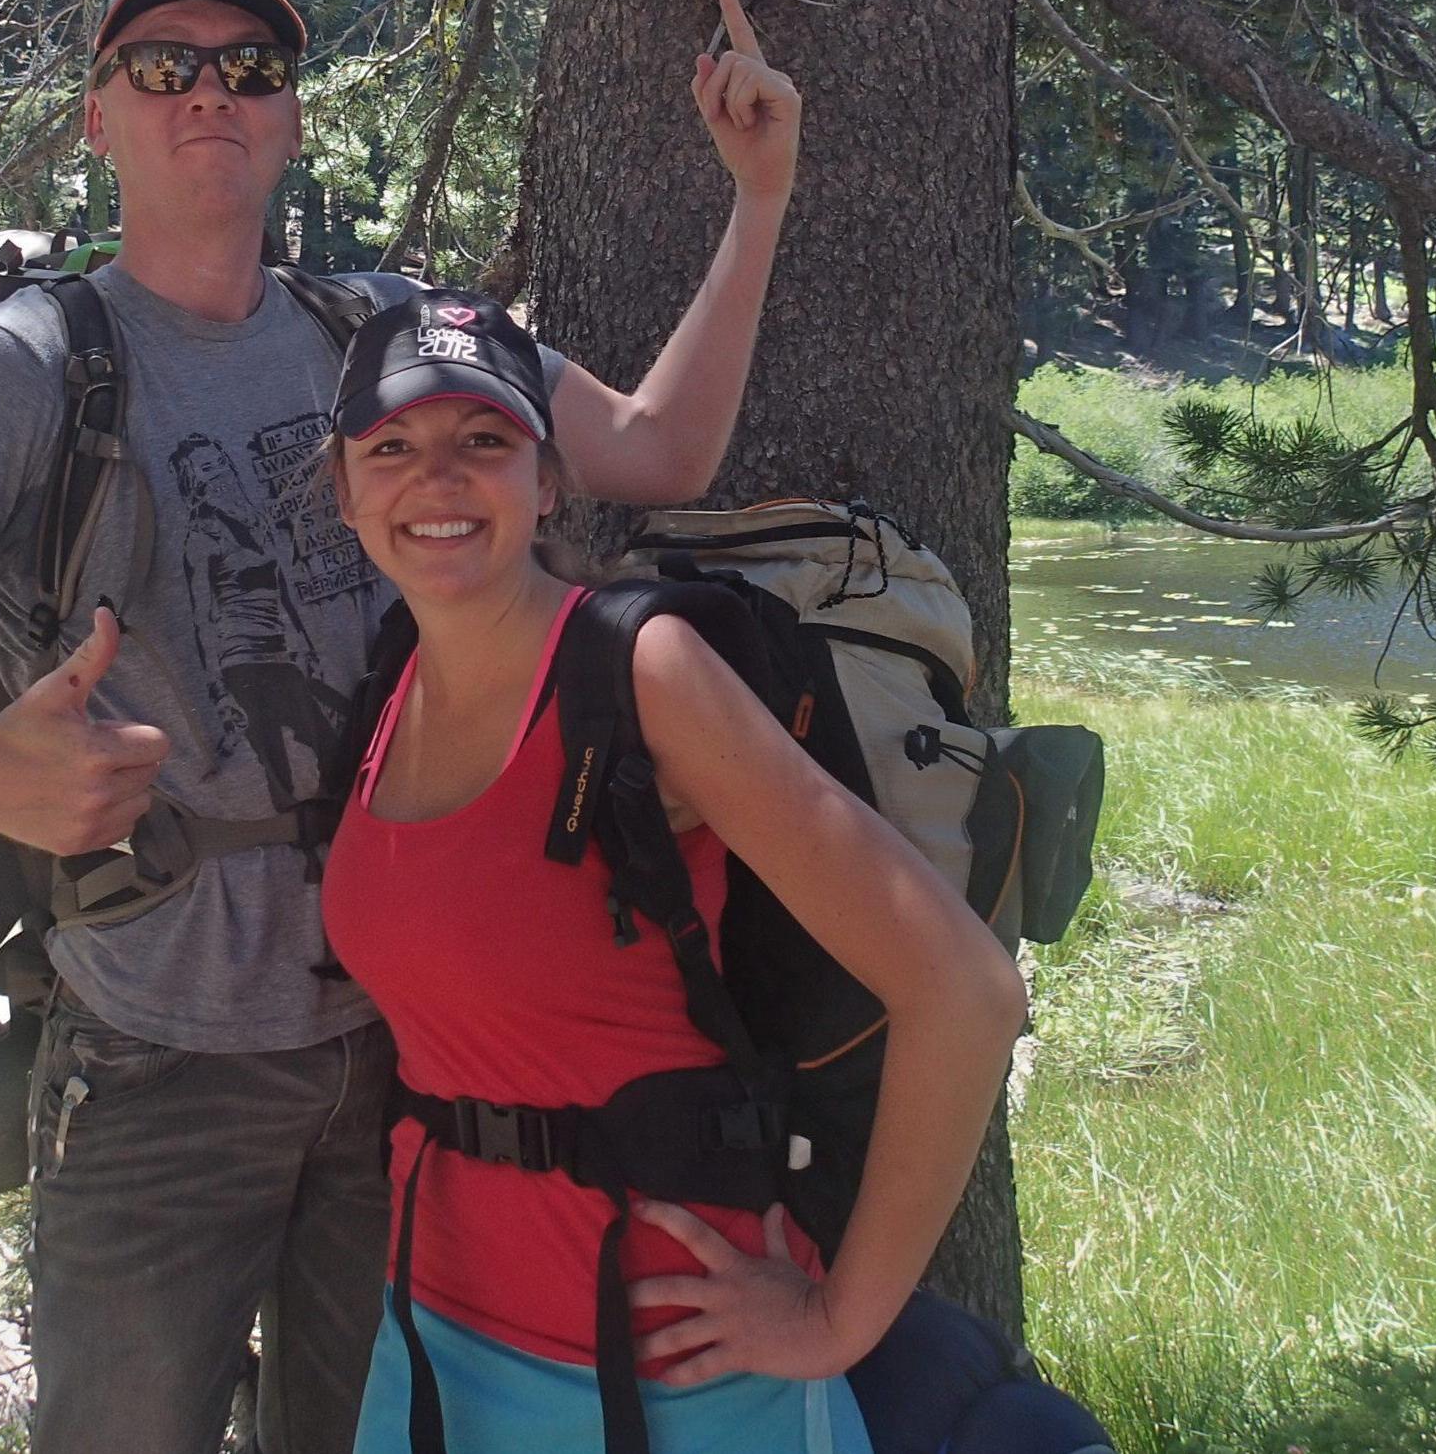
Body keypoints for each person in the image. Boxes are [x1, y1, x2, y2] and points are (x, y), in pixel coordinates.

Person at [0, 0, 803, 1454]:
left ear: (291, 115)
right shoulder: (21, 369)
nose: (208, 95)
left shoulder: (375, 332)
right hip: (154, 1056)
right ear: (98, 116)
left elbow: (656, 448)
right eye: (159, 67)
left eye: (251, 69)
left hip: (408, 1045)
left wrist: (755, 199)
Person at [319, 289, 1028, 1453]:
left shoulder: (643, 672)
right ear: (344, 492)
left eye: (482, 442)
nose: (435, 479)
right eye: (391, 447)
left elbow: (965, 991)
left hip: (668, 1368)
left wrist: (839, 1322)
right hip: (432, 1338)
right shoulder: (394, 680)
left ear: (548, 480)